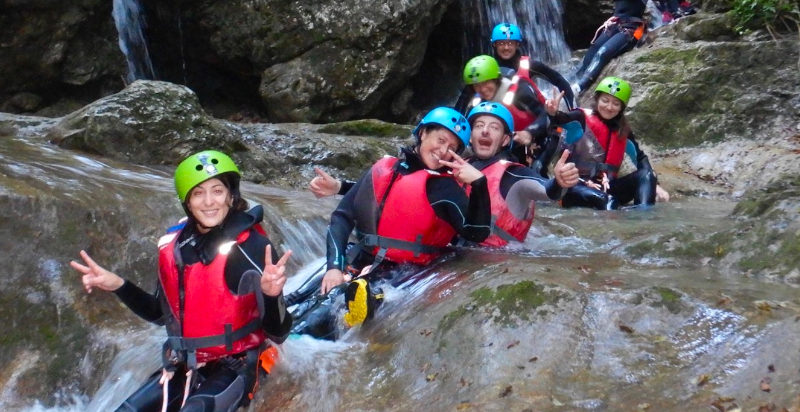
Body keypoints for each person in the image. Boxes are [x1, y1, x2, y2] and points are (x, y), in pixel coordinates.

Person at [70, 150, 293, 412]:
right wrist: (118, 284)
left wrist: (271, 293)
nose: (209, 202)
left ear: (231, 195)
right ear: (186, 202)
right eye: (198, 193)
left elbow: (279, 332)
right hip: (186, 362)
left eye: (217, 191)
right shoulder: (174, 246)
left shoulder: (253, 246)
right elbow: (159, 314)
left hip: (238, 363)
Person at [290, 107, 491, 339]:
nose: (443, 151)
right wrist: (334, 267)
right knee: (297, 302)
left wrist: (479, 185)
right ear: (424, 133)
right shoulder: (384, 168)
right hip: (359, 255)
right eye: (441, 140)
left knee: (325, 315)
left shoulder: (445, 189)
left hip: (403, 272)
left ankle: (293, 346)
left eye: (452, 148)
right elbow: (342, 217)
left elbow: (477, 233)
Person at [307, 102, 580, 248]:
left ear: (507, 139)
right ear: (470, 136)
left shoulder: (514, 175)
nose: (485, 131)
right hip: (452, 249)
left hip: (487, 255)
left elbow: (544, 190)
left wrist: (559, 182)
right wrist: (341, 187)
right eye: (479, 126)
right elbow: (405, 191)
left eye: (494, 128)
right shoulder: (452, 165)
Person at [545, 77, 670, 209]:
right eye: (605, 101)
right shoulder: (580, 118)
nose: (609, 107)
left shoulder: (623, 130)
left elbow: (640, 158)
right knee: (609, 202)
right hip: (574, 186)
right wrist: (553, 113)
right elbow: (561, 120)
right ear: (597, 99)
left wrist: (655, 185)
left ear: (621, 107)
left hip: (607, 187)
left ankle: (644, 217)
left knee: (647, 175)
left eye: (616, 104)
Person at [455, 55, 557, 177]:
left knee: (537, 169)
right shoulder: (478, 101)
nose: (482, 89)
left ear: (496, 79)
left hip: (541, 136)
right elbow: (465, 125)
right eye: (477, 85)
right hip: (509, 143)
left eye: (486, 82)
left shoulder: (520, 90)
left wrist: (528, 133)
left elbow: (545, 116)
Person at [487, 22, 576, 108]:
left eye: (510, 43)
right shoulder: (487, 69)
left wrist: (571, 108)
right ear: (495, 45)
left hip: (531, 116)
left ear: (517, 44)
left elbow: (559, 80)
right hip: (499, 118)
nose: (506, 47)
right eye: (501, 43)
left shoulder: (530, 66)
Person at [573, 0, 648, 94]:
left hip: (632, 29)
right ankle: (573, 83)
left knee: (602, 53)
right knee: (591, 53)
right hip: (615, 24)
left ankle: (580, 86)